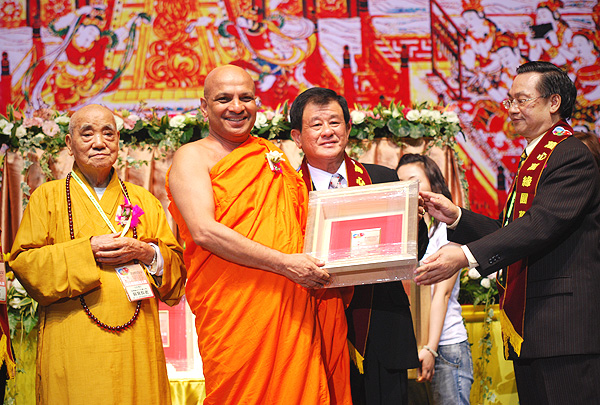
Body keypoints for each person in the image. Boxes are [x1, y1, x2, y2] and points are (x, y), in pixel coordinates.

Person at [416, 61, 600, 404]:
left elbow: (541, 225)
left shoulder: (570, 155)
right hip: (536, 328)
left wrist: (464, 256)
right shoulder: (536, 155)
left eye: (522, 100)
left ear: (554, 102)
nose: (512, 109)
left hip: (564, 331)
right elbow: (513, 232)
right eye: (510, 100)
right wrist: (456, 217)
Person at [166, 65, 331, 404]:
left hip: (291, 307)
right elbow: (204, 231)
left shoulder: (272, 154)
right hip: (236, 311)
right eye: (224, 99)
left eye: (246, 98)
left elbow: (305, 221)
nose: (237, 107)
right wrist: (284, 263)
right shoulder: (192, 157)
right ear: (204, 106)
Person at [8, 104, 186, 404]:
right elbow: (26, 264)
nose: (99, 143)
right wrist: (86, 250)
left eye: (108, 133)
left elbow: (176, 271)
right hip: (73, 343)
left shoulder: (143, 200)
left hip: (136, 344)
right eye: (87, 133)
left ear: (118, 141)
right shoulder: (46, 198)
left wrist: (147, 252)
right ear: (69, 143)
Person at [289, 87, 427, 405]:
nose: (327, 131)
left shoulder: (383, 180)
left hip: (380, 328)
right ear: (297, 137)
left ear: (348, 128)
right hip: (312, 330)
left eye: (335, 122)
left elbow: (414, 252)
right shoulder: (285, 191)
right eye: (316, 124)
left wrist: (415, 222)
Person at [397, 154, 473, 405]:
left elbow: (442, 293)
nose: (408, 188)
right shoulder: (403, 232)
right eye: (401, 182)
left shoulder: (448, 230)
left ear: (434, 184)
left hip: (446, 345)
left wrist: (430, 347)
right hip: (412, 345)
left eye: (414, 180)